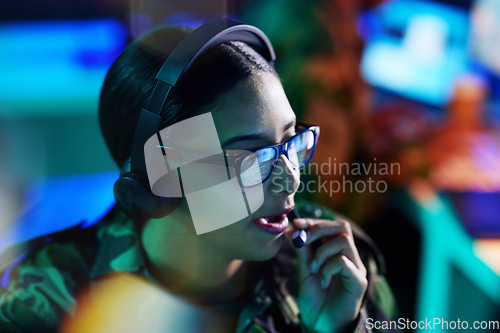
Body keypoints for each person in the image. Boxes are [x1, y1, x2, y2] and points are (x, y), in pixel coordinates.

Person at [0, 20, 398, 333]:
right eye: (253, 158)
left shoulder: (338, 271)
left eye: (292, 142)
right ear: (156, 187)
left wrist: (341, 329)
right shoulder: (45, 299)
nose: (290, 180)